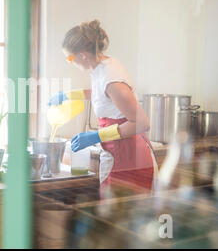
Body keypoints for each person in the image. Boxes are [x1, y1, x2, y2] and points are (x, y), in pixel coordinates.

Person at [49, 20, 157, 192]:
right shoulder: (101, 66)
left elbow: (142, 123)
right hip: (117, 153)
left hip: (129, 159)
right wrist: (67, 96)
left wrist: (96, 136)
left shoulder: (112, 78)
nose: (70, 63)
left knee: (121, 215)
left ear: (83, 54)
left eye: (69, 58)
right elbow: (100, 92)